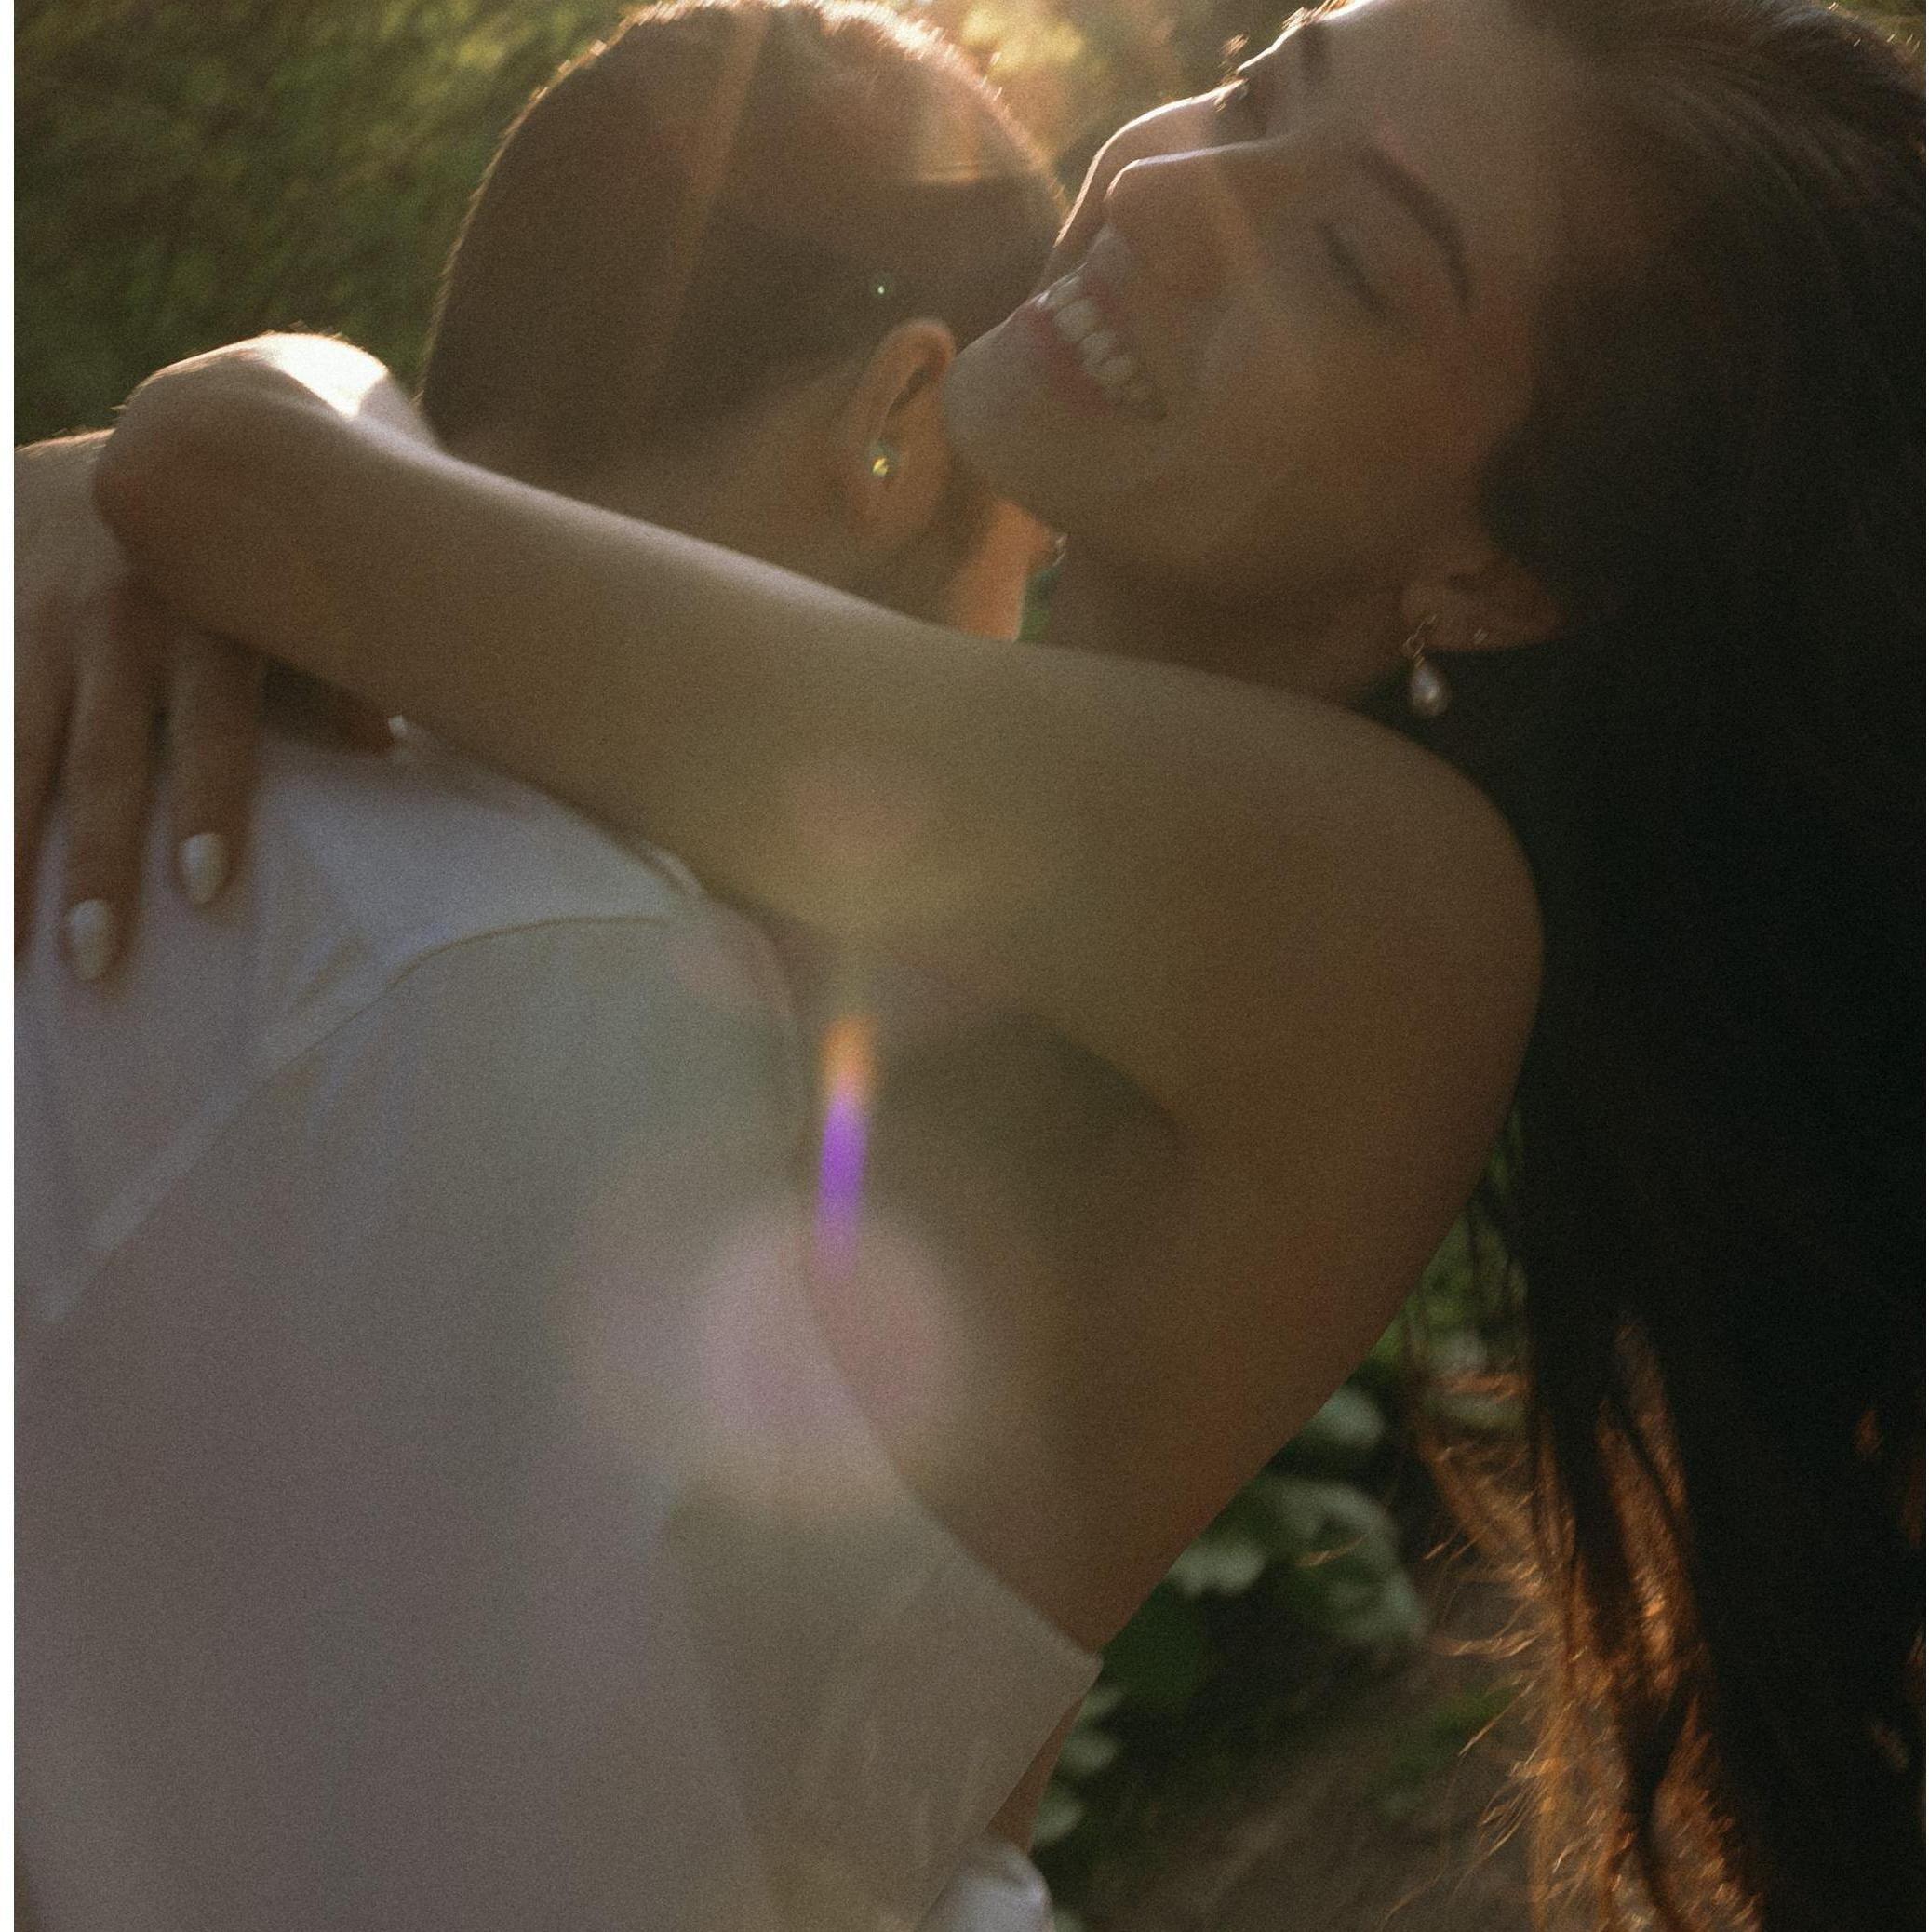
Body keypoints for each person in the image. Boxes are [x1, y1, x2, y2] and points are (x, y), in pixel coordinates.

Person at [25, 0, 1922, 1924]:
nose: (1173, 191)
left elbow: (237, 482)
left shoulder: (1392, 916)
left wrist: (254, 405)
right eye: (1259, 85)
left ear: (1492, 573)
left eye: (1348, 259)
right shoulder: (830, 833)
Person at [16, 5, 1096, 1928]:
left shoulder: (105, 751)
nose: (1012, 646)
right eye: (1032, 559)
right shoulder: (558, 992)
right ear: (898, 424)